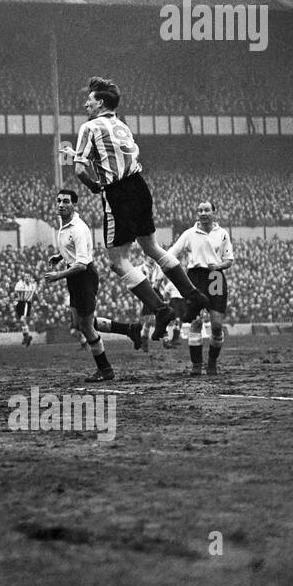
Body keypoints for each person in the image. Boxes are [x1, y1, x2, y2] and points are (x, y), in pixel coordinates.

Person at [60, 76, 208, 340]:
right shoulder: (122, 126)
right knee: (152, 248)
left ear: (100, 102)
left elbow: (80, 170)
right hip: (140, 186)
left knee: (118, 261)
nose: (85, 104)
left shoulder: (89, 127)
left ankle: (161, 309)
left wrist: (95, 186)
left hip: (118, 193)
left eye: (89, 100)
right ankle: (193, 295)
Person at [43, 189, 144, 383]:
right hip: (74, 276)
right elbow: (74, 253)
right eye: (59, 201)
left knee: (86, 327)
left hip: (83, 277)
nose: (61, 204)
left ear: (74, 205)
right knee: (79, 322)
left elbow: (81, 264)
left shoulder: (78, 229)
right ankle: (129, 329)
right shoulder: (64, 225)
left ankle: (105, 369)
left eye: (66, 201)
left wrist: (57, 275)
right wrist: (60, 256)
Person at [167, 200, 235, 376]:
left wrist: (219, 266)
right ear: (197, 214)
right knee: (196, 322)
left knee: (217, 325)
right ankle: (197, 365)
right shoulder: (189, 234)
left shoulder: (222, 234)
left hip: (215, 277)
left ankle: (212, 362)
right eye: (200, 211)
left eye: (206, 210)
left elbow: (229, 260)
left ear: (214, 212)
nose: (203, 213)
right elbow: (172, 253)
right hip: (195, 277)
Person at [12, 273, 37, 347]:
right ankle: (26, 336)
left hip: (26, 303)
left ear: (30, 277)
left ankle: (27, 336)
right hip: (19, 303)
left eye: (28, 276)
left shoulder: (32, 285)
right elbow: (16, 290)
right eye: (25, 276)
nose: (27, 278)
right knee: (21, 320)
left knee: (23, 319)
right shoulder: (20, 283)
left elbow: (33, 291)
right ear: (23, 277)